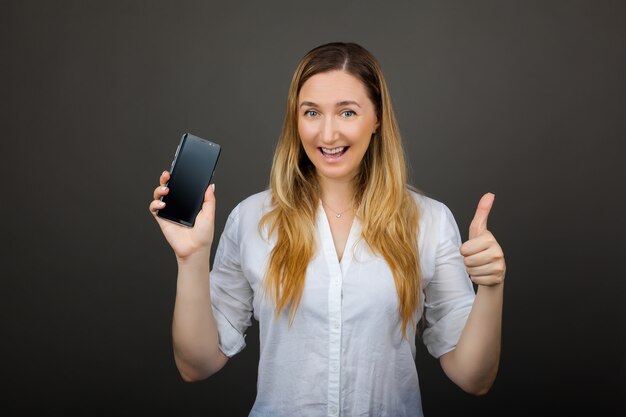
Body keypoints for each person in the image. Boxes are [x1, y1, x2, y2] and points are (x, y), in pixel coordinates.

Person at [149, 42, 506, 417]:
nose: (328, 133)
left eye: (348, 112)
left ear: (378, 118)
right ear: (295, 119)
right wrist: (191, 259)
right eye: (312, 112)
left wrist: (491, 287)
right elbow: (197, 365)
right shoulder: (251, 219)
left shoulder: (429, 221)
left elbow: (474, 378)